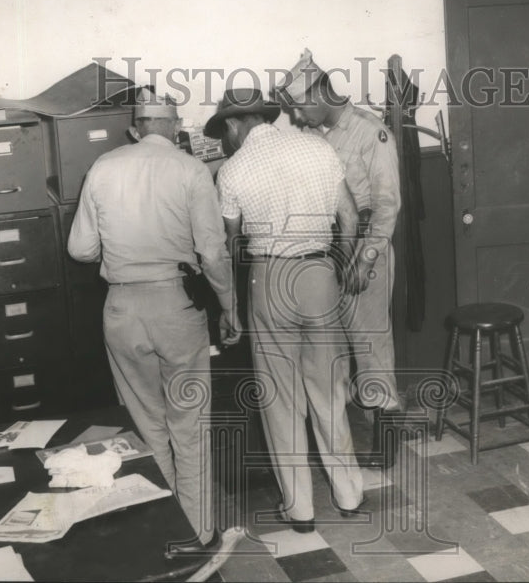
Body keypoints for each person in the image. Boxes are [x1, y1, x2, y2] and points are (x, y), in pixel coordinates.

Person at [67, 89, 239, 550]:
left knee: (147, 426)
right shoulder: (191, 170)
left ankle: (164, 533)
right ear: (177, 126)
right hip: (177, 308)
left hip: (122, 309)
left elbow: (80, 249)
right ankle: (199, 531)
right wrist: (228, 306)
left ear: (134, 129)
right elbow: (213, 252)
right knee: (189, 422)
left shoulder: (103, 167)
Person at [208, 87, 365, 533]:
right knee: (329, 388)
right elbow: (350, 218)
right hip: (318, 273)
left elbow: (232, 242)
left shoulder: (232, 169)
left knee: (280, 398)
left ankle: (300, 509)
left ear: (236, 125)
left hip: (268, 277)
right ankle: (349, 493)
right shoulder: (316, 147)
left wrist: (235, 301)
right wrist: (341, 264)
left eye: (226, 130)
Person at [278, 49, 404, 468]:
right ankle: (346, 434)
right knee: (331, 349)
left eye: (299, 106)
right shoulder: (313, 137)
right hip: (327, 251)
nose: (296, 116)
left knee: (371, 344)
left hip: (367, 249)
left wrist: (365, 260)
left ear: (317, 95)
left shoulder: (371, 132)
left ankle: (387, 438)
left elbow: (386, 206)